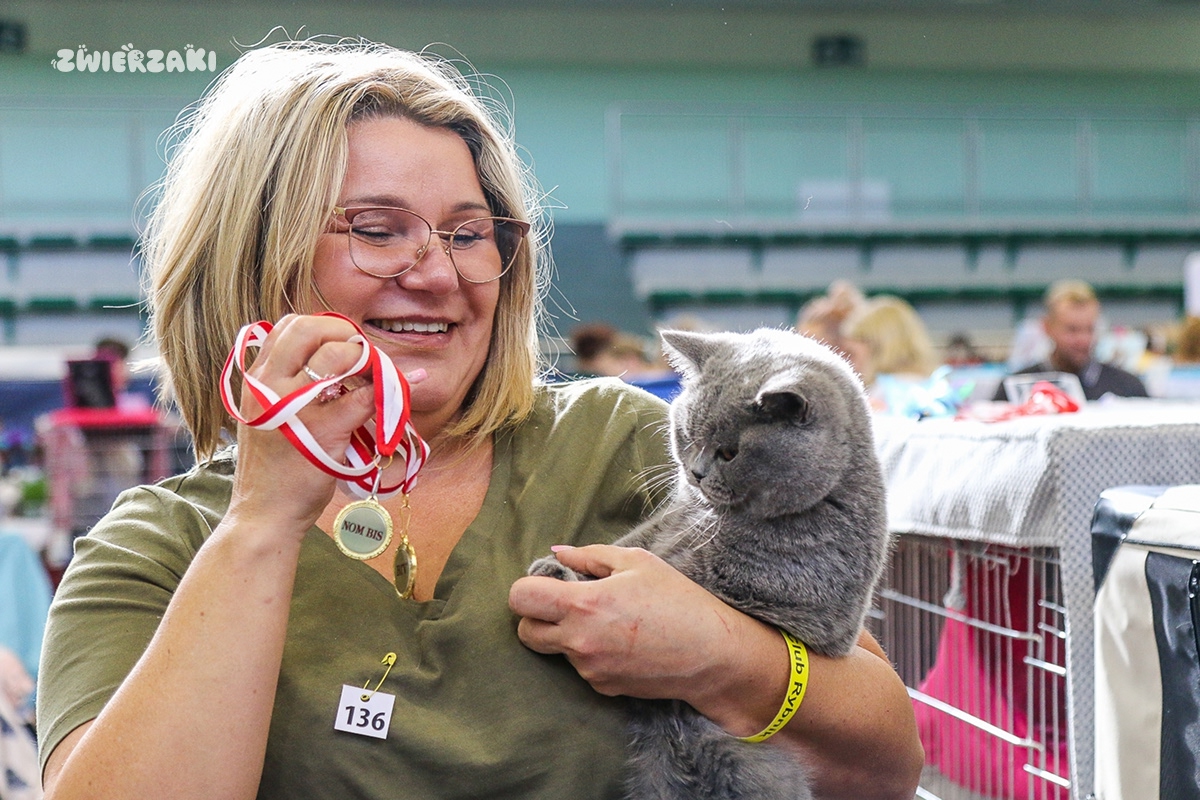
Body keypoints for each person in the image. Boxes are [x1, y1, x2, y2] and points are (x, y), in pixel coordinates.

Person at [36, 40, 922, 800]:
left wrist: (724, 655)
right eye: (377, 229)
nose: (437, 275)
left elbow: (884, 763)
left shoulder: (620, 447)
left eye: (467, 234)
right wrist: (264, 520)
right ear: (254, 252)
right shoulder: (159, 544)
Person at [992, 280, 1148, 401]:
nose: (1083, 340)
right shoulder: (1016, 388)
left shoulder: (1128, 387)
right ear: (1047, 327)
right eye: (1072, 330)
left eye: (1089, 329)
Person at [840, 295, 938, 413]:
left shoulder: (881, 393)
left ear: (877, 349)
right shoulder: (936, 387)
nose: (849, 363)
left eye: (852, 354)